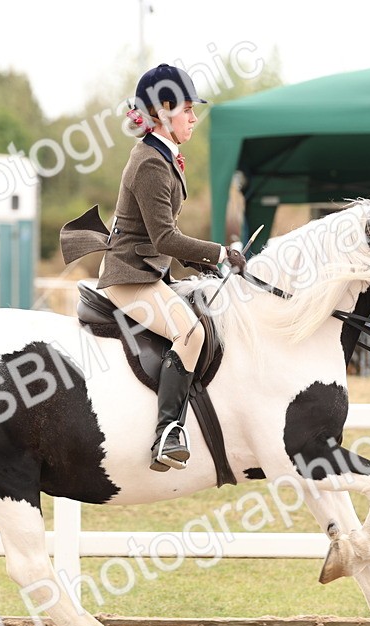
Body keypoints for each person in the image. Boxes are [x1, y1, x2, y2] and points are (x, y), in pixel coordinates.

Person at [60, 63, 247, 472]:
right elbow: (164, 238)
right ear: (163, 111)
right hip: (130, 276)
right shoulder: (149, 162)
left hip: (148, 269)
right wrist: (219, 253)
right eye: (187, 110)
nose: (194, 118)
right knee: (191, 333)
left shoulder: (162, 156)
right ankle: (168, 433)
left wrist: (204, 263)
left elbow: (159, 236)